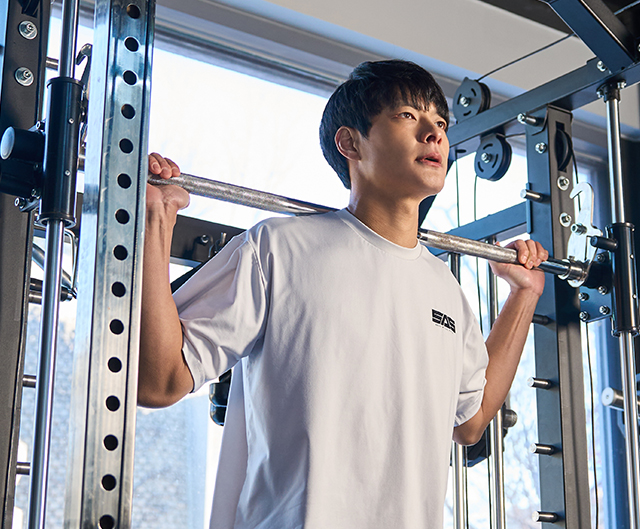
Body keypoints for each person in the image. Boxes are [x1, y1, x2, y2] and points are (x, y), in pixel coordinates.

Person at [139, 59, 548, 529]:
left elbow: (470, 421)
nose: (433, 134)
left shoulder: (445, 289)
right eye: (408, 116)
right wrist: (156, 220)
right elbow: (158, 381)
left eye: (440, 123)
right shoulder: (278, 248)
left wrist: (524, 295)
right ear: (350, 143)